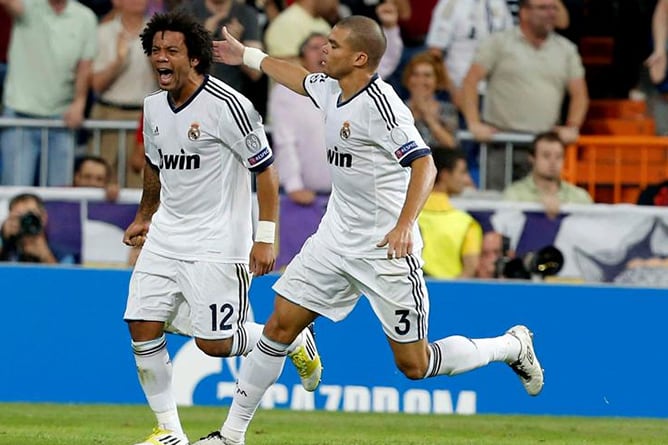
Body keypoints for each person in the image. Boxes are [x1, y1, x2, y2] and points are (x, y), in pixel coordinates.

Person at [202, 15, 544, 445]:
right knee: (278, 327)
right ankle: (231, 436)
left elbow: (425, 164)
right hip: (334, 239)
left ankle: (510, 347)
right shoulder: (330, 88)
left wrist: (404, 226)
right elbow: (298, 78)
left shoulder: (383, 106)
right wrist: (247, 55)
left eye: (334, 45)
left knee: (414, 366)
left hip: (385, 249)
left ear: (360, 58)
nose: (324, 50)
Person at [122, 11, 322, 445]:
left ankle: (291, 338)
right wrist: (145, 215)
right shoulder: (153, 106)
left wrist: (265, 237)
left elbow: (266, 171)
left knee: (214, 344)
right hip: (167, 236)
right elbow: (155, 165)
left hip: (217, 241)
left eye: (171, 50)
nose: (161, 58)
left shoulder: (229, 105)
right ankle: (168, 433)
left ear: (194, 57)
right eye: (155, 50)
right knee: (140, 324)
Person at [461, 0, 588, 190]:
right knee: (496, 209)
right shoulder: (498, 42)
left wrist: (573, 126)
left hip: (542, 147)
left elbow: (580, 94)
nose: (550, 13)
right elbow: (470, 82)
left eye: (553, 8)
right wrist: (473, 123)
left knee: (539, 208)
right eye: (543, 8)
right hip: (500, 144)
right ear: (524, 12)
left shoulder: (566, 49)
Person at [0, 0, 97, 186]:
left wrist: (79, 102)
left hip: (62, 120)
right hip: (20, 118)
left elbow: (85, 66)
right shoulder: (27, 6)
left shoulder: (85, 18)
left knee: (59, 198)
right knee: (15, 194)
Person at [90, 0, 157, 188]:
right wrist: (118, 62)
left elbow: (170, 82)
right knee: (101, 179)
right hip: (108, 114)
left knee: (141, 183)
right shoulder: (103, 33)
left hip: (146, 118)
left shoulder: (159, 34)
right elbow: (96, 85)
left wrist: (154, 61)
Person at [418, 149, 481, 278]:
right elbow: (470, 270)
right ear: (445, 175)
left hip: (410, 292)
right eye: (462, 172)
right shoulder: (468, 224)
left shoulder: (406, 215)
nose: (467, 179)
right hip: (450, 294)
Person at [503, 131, 592, 217]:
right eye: (546, 156)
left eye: (558, 157)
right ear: (532, 158)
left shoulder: (580, 197)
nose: (553, 162)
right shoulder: (514, 194)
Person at [402, 51, 458, 148]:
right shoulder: (396, 109)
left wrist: (428, 117)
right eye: (415, 74)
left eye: (427, 75)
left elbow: (451, 145)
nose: (420, 80)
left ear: (437, 81)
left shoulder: (448, 110)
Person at [0, 193, 76, 264]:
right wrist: (3, 237)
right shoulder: (8, 249)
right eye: (19, 217)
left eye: (30, 215)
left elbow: (65, 277)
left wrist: (46, 256)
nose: (26, 221)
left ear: (43, 217)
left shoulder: (62, 254)